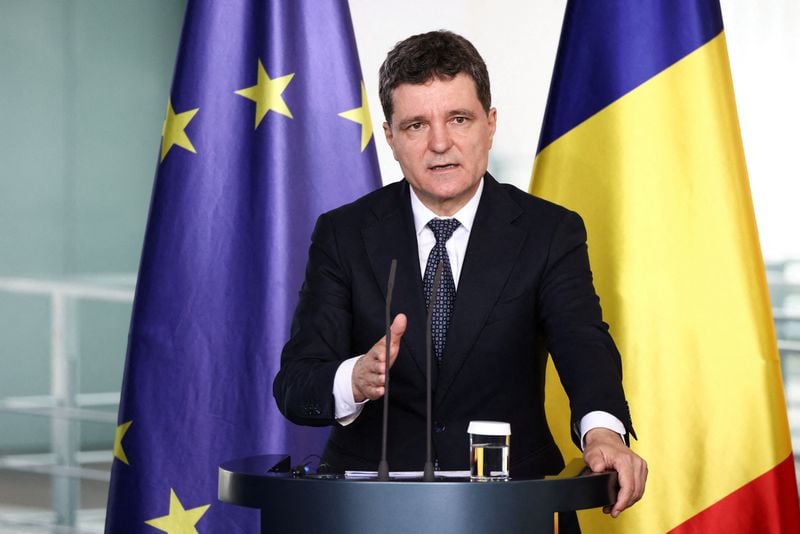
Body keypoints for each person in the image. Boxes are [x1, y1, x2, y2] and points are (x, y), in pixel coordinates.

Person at [273, 30, 647, 523]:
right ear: (390, 138)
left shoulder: (549, 232)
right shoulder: (343, 234)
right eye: (416, 125)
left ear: (490, 125)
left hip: (511, 509)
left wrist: (603, 432)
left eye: (458, 119)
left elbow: (583, 343)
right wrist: (354, 379)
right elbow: (296, 384)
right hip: (372, 513)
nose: (440, 143)